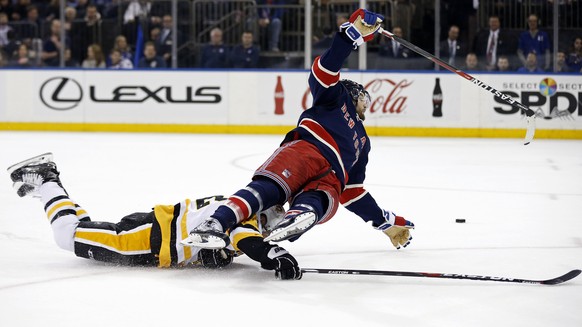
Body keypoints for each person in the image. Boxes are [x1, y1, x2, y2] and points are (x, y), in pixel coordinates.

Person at [186, 9, 415, 252]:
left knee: (328, 198)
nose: (367, 105)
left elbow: (352, 191)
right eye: (364, 99)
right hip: (306, 150)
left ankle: (300, 213)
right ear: (353, 93)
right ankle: (214, 223)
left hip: (331, 177)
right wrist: (352, 35)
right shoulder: (335, 96)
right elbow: (324, 71)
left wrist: (384, 222)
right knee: (270, 189)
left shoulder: (364, 142)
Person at [7, 153, 302, 280]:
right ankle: (47, 180)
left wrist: (219, 256)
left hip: (151, 229)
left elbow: (230, 242)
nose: (277, 221)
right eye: (278, 214)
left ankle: (51, 188)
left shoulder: (236, 207)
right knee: (67, 237)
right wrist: (273, 255)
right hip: (145, 241)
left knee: (84, 229)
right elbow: (246, 238)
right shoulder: (245, 218)